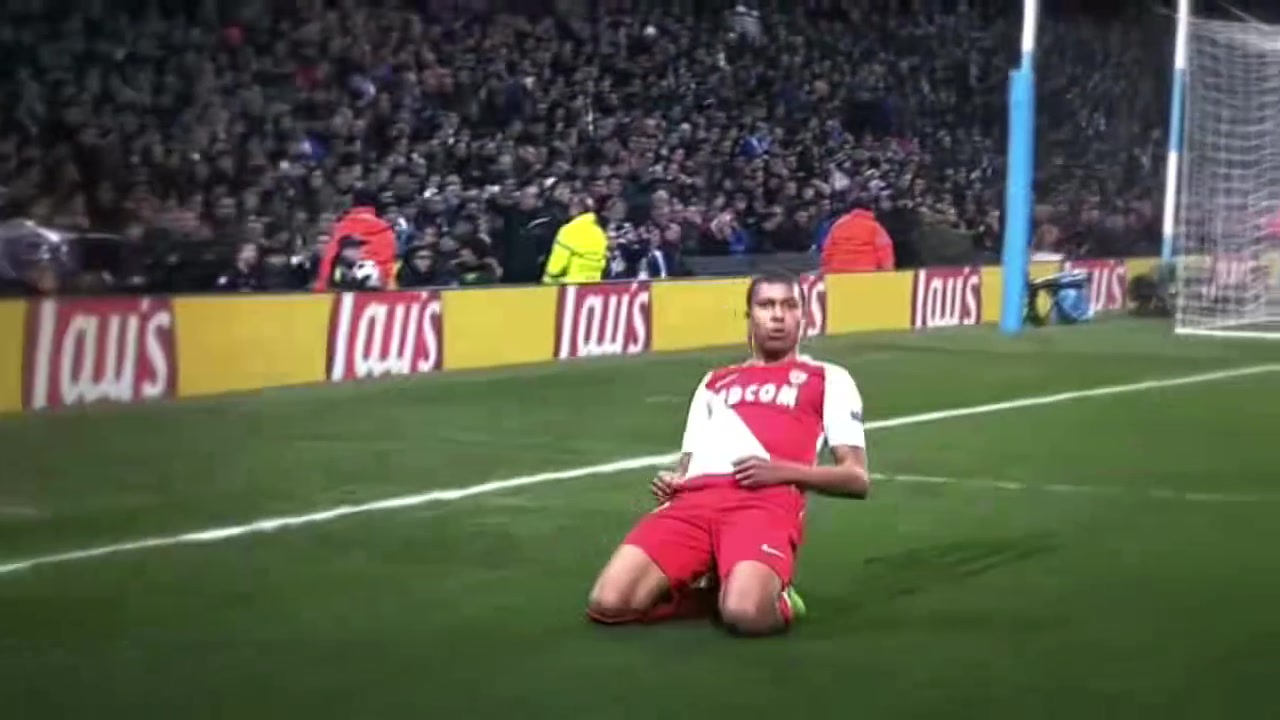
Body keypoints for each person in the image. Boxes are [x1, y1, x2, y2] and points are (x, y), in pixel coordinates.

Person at [586, 270, 870, 636]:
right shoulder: (714, 381)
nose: (778, 315)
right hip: (693, 505)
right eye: (767, 305)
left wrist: (782, 472)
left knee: (747, 614)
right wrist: (674, 481)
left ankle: (777, 596)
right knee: (609, 604)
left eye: (789, 306)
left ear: (804, 315)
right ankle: (721, 585)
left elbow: (856, 479)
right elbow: (687, 466)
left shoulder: (828, 378)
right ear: (750, 316)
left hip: (764, 504)